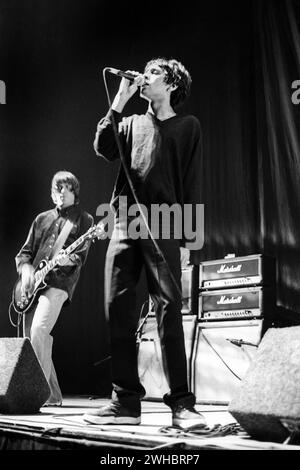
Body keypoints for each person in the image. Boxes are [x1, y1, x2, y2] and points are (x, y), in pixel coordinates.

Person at [83, 58, 206, 428]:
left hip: (167, 223)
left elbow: (192, 179)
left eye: (153, 73)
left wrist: (189, 238)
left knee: (168, 309)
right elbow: (102, 147)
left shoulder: (188, 126)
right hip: (124, 220)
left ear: (171, 85)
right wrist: (119, 100)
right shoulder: (130, 122)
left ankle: (182, 404)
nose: (144, 77)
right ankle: (125, 403)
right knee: (117, 306)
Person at [15, 171, 94, 406]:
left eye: (65, 188)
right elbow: (24, 253)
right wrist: (26, 270)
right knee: (33, 339)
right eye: (56, 189)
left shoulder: (85, 220)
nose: (60, 193)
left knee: (39, 330)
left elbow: (79, 257)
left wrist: (65, 260)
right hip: (33, 285)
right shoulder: (41, 219)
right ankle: (53, 394)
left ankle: (37, 392)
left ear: (74, 193)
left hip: (59, 283)